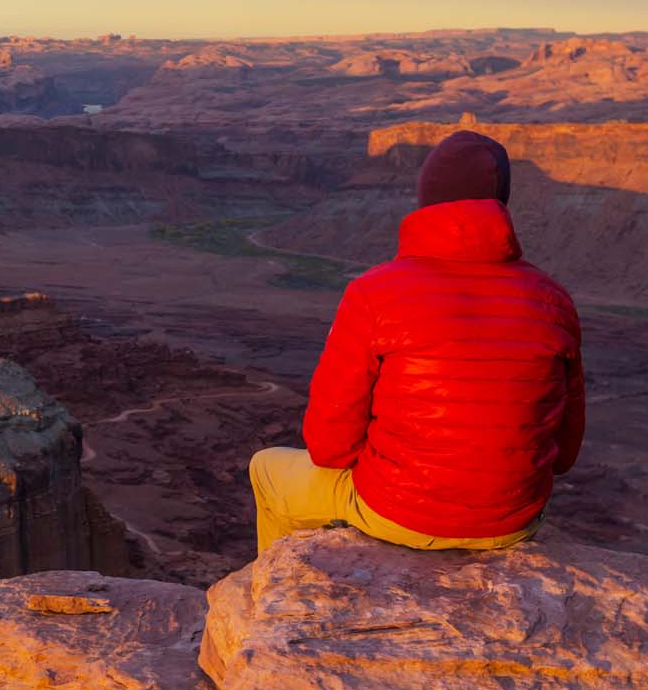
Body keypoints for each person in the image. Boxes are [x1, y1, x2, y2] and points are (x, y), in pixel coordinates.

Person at [249, 130, 585, 553]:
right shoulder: (553, 299)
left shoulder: (375, 293)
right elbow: (566, 453)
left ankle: (279, 603)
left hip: (398, 514)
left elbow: (328, 447)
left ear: (426, 198)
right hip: (515, 522)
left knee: (266, 469)